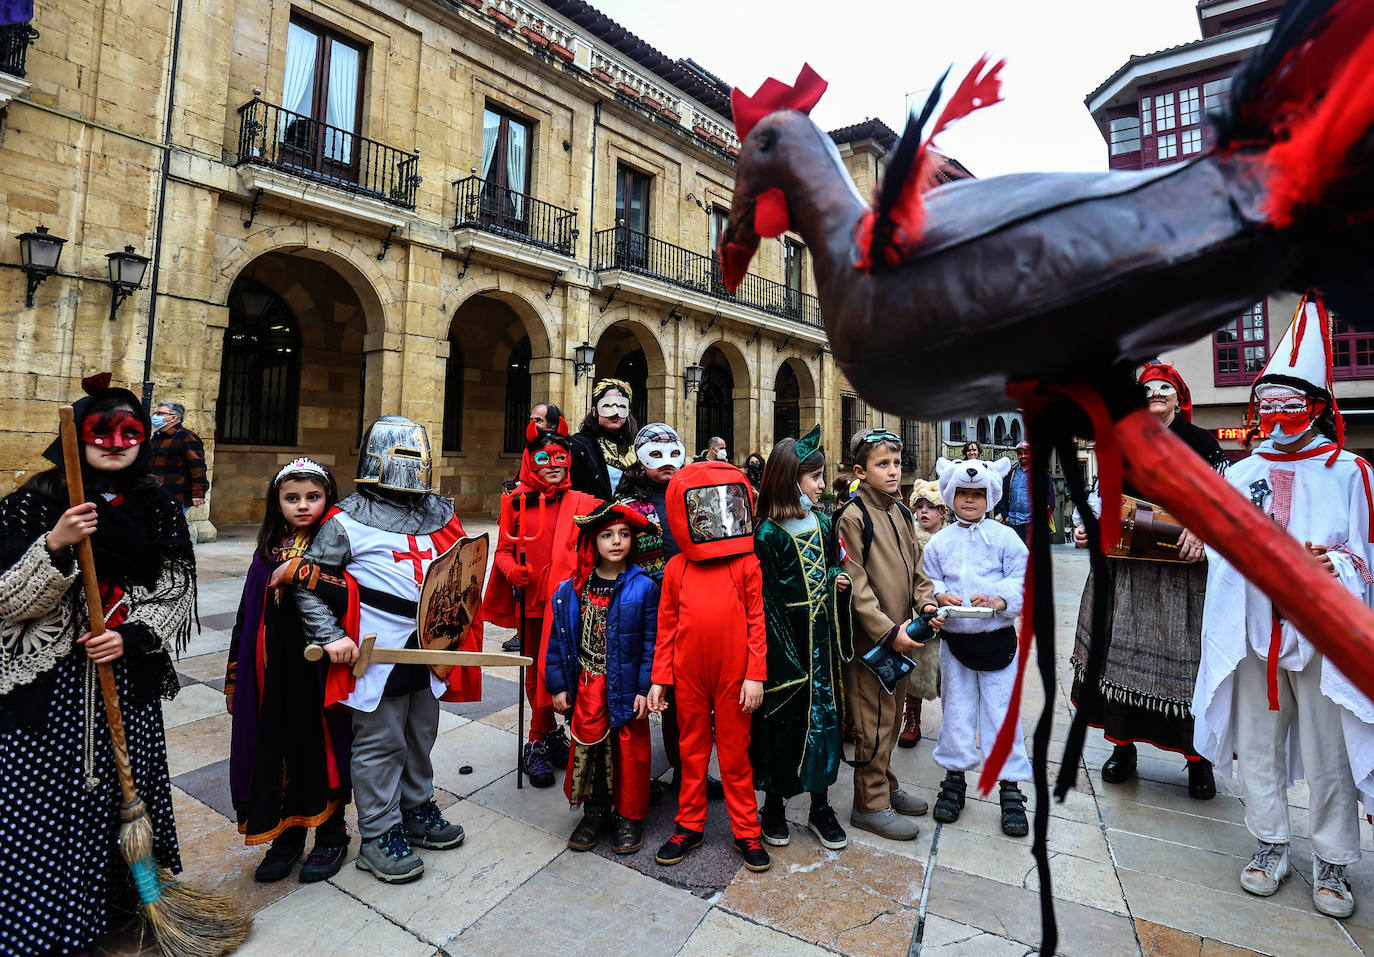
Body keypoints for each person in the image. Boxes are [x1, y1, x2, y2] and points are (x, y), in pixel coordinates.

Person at [0, 373, 196, 956]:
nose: (115, 442)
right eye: (100, 432)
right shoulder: (33, 502)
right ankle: (44, 922)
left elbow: (177, 588)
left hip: (121, 686)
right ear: (76, 438)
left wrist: (132, 637)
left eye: (130, 431)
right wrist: (56, 544)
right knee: (47, 804)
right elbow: (6, 599)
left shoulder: (158, 506)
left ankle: (118, 904)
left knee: (120, 796)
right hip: (49, 692)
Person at [1193, 295, 1374, 919]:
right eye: (1266, 407)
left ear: (1317, 408)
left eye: (1290, 406)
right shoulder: (1240, 474)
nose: (1276, 418)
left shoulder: (1350, 471)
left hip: (1324, 634)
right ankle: (1269, 843)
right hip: (1252, 632)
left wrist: (1339, 566)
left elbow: (1368, 555)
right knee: (1258, 741)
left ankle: (1332, 856)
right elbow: (1221, 546)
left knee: (1331, 748)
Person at [295, 416, 476, 884]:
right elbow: (308, 585)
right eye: (405, 457)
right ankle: (378, 835)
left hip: (430, 642)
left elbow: (460, 570)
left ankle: (417, 809)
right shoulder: (345, 518)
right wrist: (332, 636)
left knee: (421, 731)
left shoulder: (440, 512)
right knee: (380, 740)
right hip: (377, 648)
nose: (414, 468)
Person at [1071, 363, 1226, 800]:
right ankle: (1122, 750)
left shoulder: (1201, 443)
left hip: (1183, 575)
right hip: (1125, 572)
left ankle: (1199, 760)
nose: (1155, 394)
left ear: (1180, 397)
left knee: (1189, 667)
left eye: (1165, 389)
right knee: (1117, 659)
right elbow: (1106, 501)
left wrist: (1202, 530)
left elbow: (1222, 502)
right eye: (1147, 389)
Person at [226, 458, 352, 883]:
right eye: (292, 498)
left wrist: (308, 574)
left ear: (328, 499)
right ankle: (287, 836)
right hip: (269, 677)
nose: (302, 506)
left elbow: (351, 596)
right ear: (276, 503)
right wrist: (234, 677)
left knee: (322, 749)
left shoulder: (336, 543)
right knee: (276, 750)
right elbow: (247, 615)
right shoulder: (266, 552)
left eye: (313, 497)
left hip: (316, 674)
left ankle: (332, 833)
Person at [649, 461, 771, 872]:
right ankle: (689, 825)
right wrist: (660, 679)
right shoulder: (676, 568)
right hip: (689, 676)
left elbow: (757, 622)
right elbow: (666, 626)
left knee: (736, 755)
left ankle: (746, 831)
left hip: (735, 677)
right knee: (692, 751)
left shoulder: (745, 564)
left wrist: (755, 675)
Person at [836, 427, 941, 841]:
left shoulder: (899, 512)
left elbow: (917, 570)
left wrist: (926, 602)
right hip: (873, 644)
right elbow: (856, 584)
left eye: (896, 463)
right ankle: (870, 803)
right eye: (883, 465)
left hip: (903, 637)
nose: (894, 471)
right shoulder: (853, 516)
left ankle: (886, 782)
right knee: (873, 722)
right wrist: (886, 631)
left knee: (893, 716)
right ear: (861, 470)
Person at [482, 418, 599, 787]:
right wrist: (510, 570)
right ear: (532, 460)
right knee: (535, 668)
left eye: (561, 457)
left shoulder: (580, 502)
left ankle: (545, 735)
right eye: (545, 457)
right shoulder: (515, 502)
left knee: (560, 669)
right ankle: (539, 737)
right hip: (531, 601)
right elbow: (502, 550)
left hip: (567, 602)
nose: (554, 464)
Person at [751, 426, 853, 850]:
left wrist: (835, 580)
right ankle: (773, 804)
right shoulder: (768, 535)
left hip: (822, 648)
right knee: (783, 726)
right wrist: (783, 660)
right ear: (792, 479)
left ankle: (820, 805)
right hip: (786, 652)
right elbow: (766, 601)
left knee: (825, 723)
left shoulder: (826, 524)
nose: (823, 485)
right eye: (816, 478)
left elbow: (829, 568)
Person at [613, 423, 723, 801]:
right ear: (640, 458)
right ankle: (630, 777)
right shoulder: (626, 504)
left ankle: (686, 770)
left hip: (690, 606)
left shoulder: (696, 492)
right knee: (637, 690)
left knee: (684, 698)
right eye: (656, 455)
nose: (667, 463)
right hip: (642, 610)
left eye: (673, 453)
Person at [925, 456, 1031, 837]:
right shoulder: (939, 542)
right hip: (956, 642)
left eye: (978, 494)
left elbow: (1023, 576)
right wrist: (940, 594)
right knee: (956, 711)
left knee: (1002, 714)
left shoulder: (1005, 538)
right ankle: (954, 779)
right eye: (964, 494)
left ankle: (1010, 788)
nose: (970, 501)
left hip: (997, 640)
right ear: (952, 496)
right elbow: (929, 578)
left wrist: (1002, 599)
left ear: (990, 497)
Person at [546, 502, 660, 855]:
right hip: (587, 684)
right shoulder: (572, 590)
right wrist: (559, 685)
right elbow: (558, 640)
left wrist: (645, 688)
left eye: (624, 534)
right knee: (591, 749)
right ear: (592, 541)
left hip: (627, 687)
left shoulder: (644, 588)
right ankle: (595, 812)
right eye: (607, 535)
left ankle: (629, 816)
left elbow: (650, 643)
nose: (616, 541)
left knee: (629, 753)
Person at [900, 479, 948, 749]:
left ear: (943, 512)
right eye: (919, 506)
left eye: (931, 506)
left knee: (948, 674)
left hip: (946, 617)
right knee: (915, 668)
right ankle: (912, 718)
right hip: (918, 612)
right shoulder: (909, 540)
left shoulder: (952, 539)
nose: (924, 512)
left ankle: (952, 722)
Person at [570, 379, 638, 501]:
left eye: (621, 406)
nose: (615, 412)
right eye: (607, 405)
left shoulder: (637, 447)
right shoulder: (579, 445)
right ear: (594, 411)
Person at [149, 399, 208, 510]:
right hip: (157, 495)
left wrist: (197, 493)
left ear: (173, 418)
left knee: (172, 527)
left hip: (176, 495)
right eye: (156, 413)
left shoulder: (186, 436)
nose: (156, 416)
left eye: (160, 414)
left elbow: (197, 467)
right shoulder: (157, 437)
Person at [996, 442, 1055, 543]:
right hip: (1013, 523)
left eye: (1026, 453)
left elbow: (1050, 502)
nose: (1023, 456)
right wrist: (1005, 516)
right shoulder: (1010, 474)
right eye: (1020, 453)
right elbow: (1002, 497)